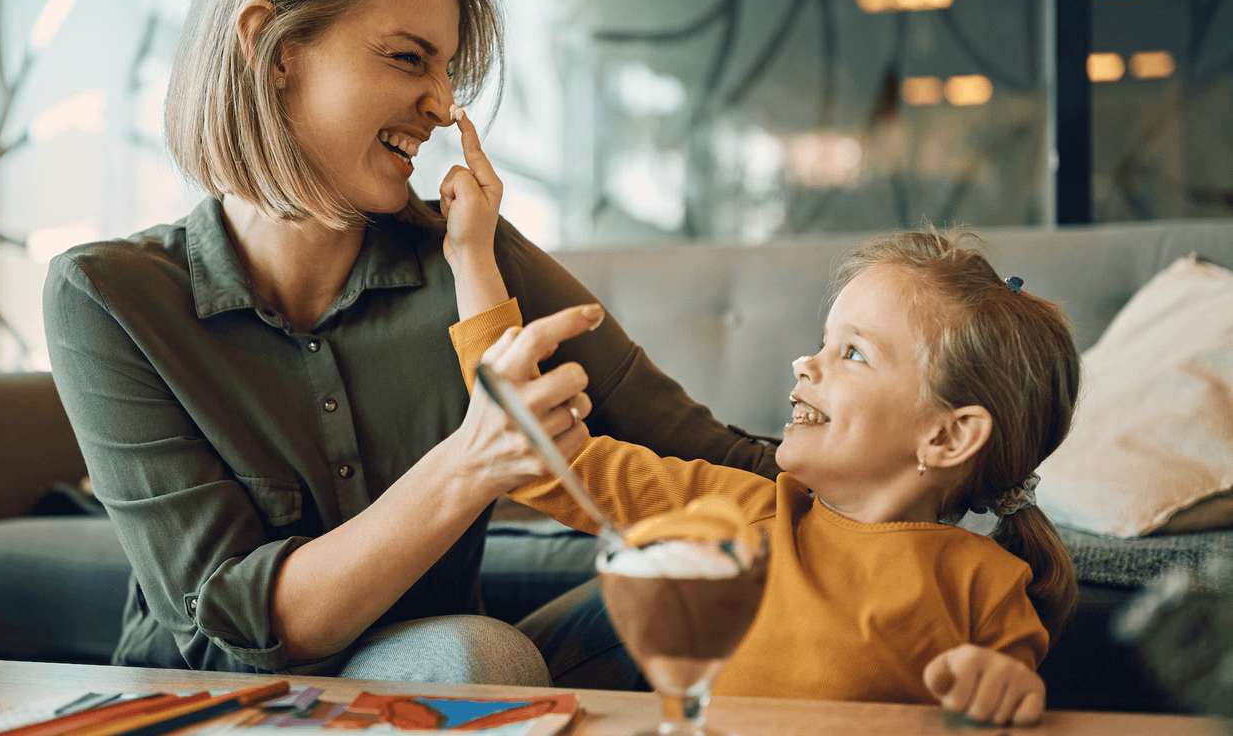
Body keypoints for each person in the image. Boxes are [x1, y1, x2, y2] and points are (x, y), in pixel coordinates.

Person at [42, 0, 780, 685]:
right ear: (275, 50)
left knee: (745, 577)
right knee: (475, 653)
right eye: (407, 59)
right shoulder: (108, 296)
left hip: (439, 681)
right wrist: (472, 463)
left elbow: (717, 462)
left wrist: (906, 473)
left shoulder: (471, 255)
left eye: (448, 71)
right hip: (221, 704)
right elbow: (235, 630)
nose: (443, 107)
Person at [448, 200, 1078, 724]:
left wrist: (1002, 686)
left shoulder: (987, 584)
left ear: (948, 437)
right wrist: (472, 254)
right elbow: (533, 455)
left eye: (853, 353)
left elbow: (1013, 698)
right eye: (822, 342)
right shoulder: (743, 512)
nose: (806, 362)